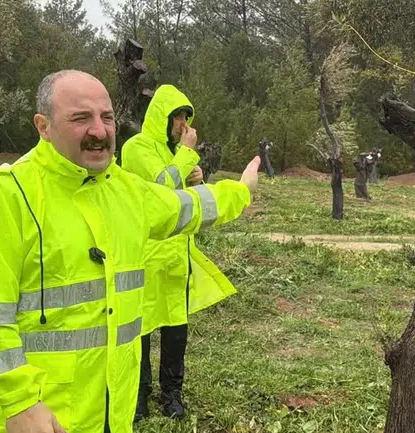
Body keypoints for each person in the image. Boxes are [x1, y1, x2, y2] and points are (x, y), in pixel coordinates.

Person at [0, 70, 261, 433]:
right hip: (37, 419)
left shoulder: (125, 192)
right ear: (43, 126)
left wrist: (241, 191)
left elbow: (186, 207)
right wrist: (20, 402)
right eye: (80, 118)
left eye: (107, 117)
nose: (99, 130)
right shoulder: (4, 198)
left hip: (113, 413)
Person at [120, 84, 233, 421]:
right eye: (178, 116)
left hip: (175, 261)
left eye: (186, 116)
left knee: (175, 331)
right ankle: (138, 394)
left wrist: (197, 180)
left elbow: (189, 205)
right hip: (144, 257)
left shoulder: (179, 154)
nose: (184, 123)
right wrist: (186, 157)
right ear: (162, 117)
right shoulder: (136, 147)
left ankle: (172, 394)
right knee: (138, 330)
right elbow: (160, 189)